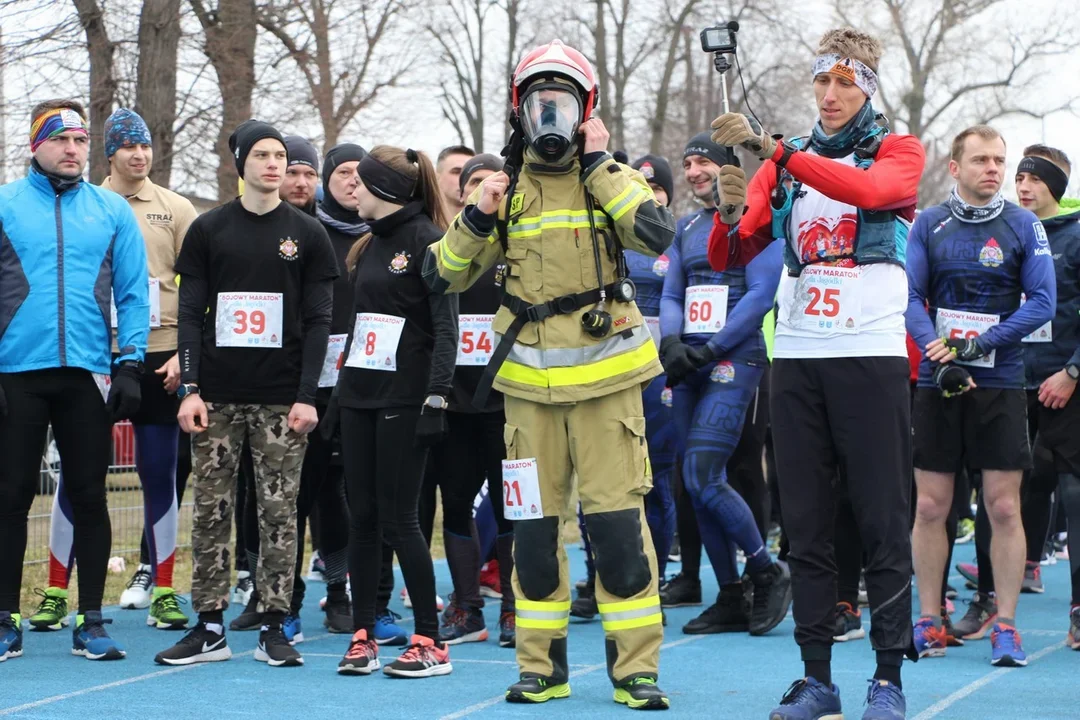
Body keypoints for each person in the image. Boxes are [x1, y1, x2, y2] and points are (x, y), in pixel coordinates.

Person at [426, 39, 676, 710]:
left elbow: (658, 236)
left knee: (621, 538)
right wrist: (478, 213)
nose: (550, 113)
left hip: (607, 390)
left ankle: (636, 672)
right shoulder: (502, 188)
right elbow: (440, 276)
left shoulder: (609, 178)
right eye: (540, 100)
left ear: (585, 108)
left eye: (562, 100)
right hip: (528, 398)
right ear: (520, 108)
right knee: (533, 541)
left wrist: (601, 164)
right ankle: (541, 668)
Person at [708, 28, 924, 717]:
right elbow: (728, 254)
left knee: (883, 517)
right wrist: (729, 207)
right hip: (798, 357)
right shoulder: (789, 158)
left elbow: (868, 190)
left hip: (870, 355)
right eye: (821, 83)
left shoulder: (898, 149)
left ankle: (886, 677)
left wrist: (777, 153)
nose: (830, 96)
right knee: (804, 523)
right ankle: (816, 679)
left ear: (867, 86)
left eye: (844, 84)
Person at [153, 119, 338, 668]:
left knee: (280, 514)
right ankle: (208, 625)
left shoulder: (308, 234)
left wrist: (307, 395)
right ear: (242, 165)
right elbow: (189, 314)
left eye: (281, 155)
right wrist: (190, 387)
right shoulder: (210, 230)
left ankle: (276, 624)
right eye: (261, 154)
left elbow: (319, 319)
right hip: (217, 398)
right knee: (211, 510)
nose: (274, 163)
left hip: (282, 399)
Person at [29, 108, 197, 634]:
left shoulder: (177, 208)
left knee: (160, 473)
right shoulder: (87, 202)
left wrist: (182, 355)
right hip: (96, 357)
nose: (139, 155)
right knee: (80, 479)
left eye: (145, 146)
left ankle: (165, 590)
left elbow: (198, 288)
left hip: (159, 354)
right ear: (110, 152)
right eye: (128, 146)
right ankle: (57, 591)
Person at [0, 99, 149, 663]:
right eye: (60, 140)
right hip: (16, 373)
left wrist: (130, 363)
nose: (72, 150)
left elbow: (134, 294)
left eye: (81, 141)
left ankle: (91, 620)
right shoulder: (5, 205)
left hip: (88, 374)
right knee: (10, 495)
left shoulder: (111, 210)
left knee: (90, 495)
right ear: (36, 145)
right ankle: (4, 617)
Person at [906, 125, 1055, 669]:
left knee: (1003, 507)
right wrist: (937, 353)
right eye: (982, 160)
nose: (994, 169)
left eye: (1000, 160)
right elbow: (909, 297)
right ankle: (927, 619)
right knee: (930, 506)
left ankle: (1006, 626)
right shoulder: (928, 223)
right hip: (938, 381)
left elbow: (1042, 301)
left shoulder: (1024, 225)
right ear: (955, 167)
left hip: (1000, 381)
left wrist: (980, 343)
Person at [328, 145, 457, 678]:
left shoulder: (429, 241)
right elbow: (361, 329)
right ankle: (363, 633)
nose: (350, 188)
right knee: (362, 519)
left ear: (385, 190)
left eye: (360, 181)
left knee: (402, 520)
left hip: (406, 399)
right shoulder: (365, 245)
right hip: (359, 395)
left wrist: (437, 396)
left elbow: (446, 328)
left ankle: (430, 639)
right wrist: (338, 396)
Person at [659, 132, 790, 638]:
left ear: (727, 168)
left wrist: (712, 349)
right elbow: (674, 291)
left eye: (704, 163)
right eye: (688, 163)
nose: (693, 171)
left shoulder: (756, 219)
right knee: (694, 484)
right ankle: (731, 594)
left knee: (704, 471)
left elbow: (759, 296)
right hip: (687, 363)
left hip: (734, 359)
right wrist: (672, 343)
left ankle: (764, 570)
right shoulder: (686, 226)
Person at [229, 134, 354, 642]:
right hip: (270, 385)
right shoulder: (264, 229)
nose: (299, 181)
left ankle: (339, 590)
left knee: (330, 494)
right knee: (270, 498)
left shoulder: (331, 234)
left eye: (306, 173)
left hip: (332, 386)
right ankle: (272, 594)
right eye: (292, 170)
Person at [435, 153, 518, 649]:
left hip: (508, 402)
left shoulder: (517, 249)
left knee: (513, 508)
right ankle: (467, 607)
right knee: (456, 504)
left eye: (495, 186)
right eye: (475, 184)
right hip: (455, 402)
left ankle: (512, 607)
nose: (485, 193)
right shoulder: (449, 248)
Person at [1013, 145, 1080, 648]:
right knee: (1011, 486)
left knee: (1073, 493)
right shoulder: (1011, 231)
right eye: (1019, 177)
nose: (1023, 186)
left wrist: (1072, 371)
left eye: (1033, 179)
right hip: (1014, 381)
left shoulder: (1076, 236)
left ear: (1053, 186)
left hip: (1066, 384)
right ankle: (1002, 592)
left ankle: (1079, 611)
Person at [434, 144, 476, 217]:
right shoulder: (418, 223)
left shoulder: (492, 224)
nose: (465, 178)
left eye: (471, 172)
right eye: (456, 172)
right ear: (437, 177)